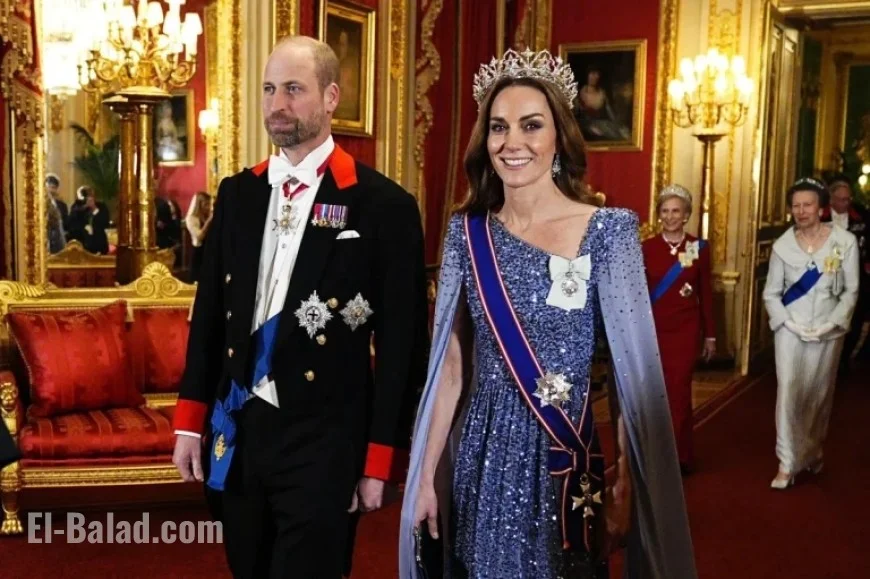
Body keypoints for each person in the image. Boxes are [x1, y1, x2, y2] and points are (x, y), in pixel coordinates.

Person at [400, 48, 696, 579]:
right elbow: (448, 372)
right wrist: (424, 478)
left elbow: (634, 377)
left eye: (530, 125)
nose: (512, 142)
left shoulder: (610, 231)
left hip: (566, 453)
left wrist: (627, 478)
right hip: (484, 455)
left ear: (559, 136)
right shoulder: (466, 234)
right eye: (498, 127)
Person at [171, 35, 429, 579]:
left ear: (332, 97)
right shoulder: (238, 194)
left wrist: (379, 459)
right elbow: (211, 315)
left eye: (293, 89)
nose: (276, 105)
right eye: (269, 89)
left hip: (324, 441)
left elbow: (405, 347)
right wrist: (190, 424)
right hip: (239, 428)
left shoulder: (382, 207)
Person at [763, 177, 860, 489]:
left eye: (807, 205)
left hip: (827, 331)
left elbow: (850, 291)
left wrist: (831, 324)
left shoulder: (843, 243)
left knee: (818, 395)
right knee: (789, 392)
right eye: (795, 206)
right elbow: (771, 294)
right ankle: (787, 462)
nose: (801, 211)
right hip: (790, 330)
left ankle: (813, 450)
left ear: (821, 208)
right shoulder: (782, 246)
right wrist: (788, 324)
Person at [642, 184, 716, 474]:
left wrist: (710, 334)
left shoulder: (699, 248)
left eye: (676, 211)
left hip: (685, 330)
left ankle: (678, 455)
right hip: (654, 329)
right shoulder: (646, 247)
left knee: (679, 392)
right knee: (653, 392)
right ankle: (653, 453)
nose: (670, 216)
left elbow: (706, 293)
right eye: (665, 211)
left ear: (686, 215)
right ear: (659, 214)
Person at [822, 176, 869, 375]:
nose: (846, 203)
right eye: (842, 199)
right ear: (831, 200)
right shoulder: (820, 215)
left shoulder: (861, 215)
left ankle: (843, 359)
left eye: (848, 199)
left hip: (855, 273)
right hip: (826, 273)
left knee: (855, 317)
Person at [66, 186, 110, 254]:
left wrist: (94, 208)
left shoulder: (102, 207)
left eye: (90, 196)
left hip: (99, 245)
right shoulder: (76, 207)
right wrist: (83, 207)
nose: (88, 198)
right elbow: (70, 224)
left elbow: (105, 223)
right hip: (82, 245)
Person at [184, 191, 213, 282]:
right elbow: (198, 236)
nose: (208, 207)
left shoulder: (205, 216)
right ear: (199, 204)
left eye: (209, 204)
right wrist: (208, 222)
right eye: (206, 204)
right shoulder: (191, 219)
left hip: (208, 251)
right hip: (199, 252)